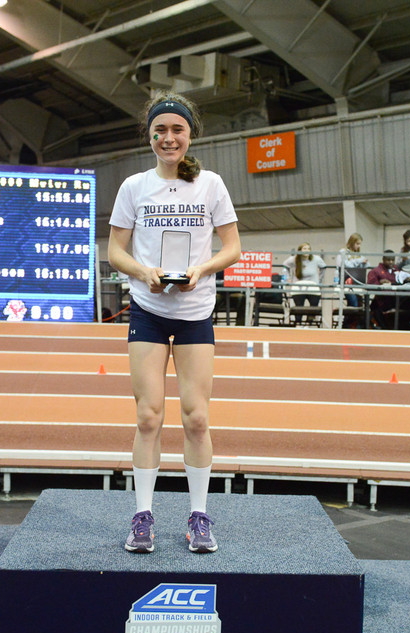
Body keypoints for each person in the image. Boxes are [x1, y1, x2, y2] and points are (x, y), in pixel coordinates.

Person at [107, 91, 241, 554]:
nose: (168, 138)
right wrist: (144, 272)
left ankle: (199, 517)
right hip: (148, 308)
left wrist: (202, 270)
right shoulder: (134, 186)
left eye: (177, 129)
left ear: (190, 134)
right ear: (149, 136)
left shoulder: (211, 184)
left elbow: (233, 247)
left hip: (194, 311)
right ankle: (142, 516)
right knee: (148, 415)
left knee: (196, 417)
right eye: (160, 130)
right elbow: (115, 251)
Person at [282, 242, 326, 325]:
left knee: (314, 306)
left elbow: (323, 267)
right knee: (299, 307)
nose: (307, 250)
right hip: (298, 287)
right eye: (304, 249)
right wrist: (288, 278)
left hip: (312, 287)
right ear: (300, 250)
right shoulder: (294, 259)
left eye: (308, 249)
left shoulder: (316, 259)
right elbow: (285, 266)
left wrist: (319, 280)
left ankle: (308, 323)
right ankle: (298, 323)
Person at [336, 233, 368, 327]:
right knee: (353, 303)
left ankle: (353, 325)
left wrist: (364, 263)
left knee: (359, 304)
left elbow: (365, 265)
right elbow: (345, 265)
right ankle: (346, 325)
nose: (359, 246)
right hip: (345, 282)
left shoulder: (358, 255)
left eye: (360, 244)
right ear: (352, 242)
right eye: (357, 244)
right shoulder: (343, 252)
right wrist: (359, 261)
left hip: (357, 282)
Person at [367, 250, 401, 328]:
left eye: (393, 260)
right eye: (388, 260)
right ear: (383, 259)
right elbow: (370, 285)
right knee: (376, 307)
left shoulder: (397, 271)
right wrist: (379, 283)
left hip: (396, 300)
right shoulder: (375, 271)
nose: (391, 262)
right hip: (382, 301)